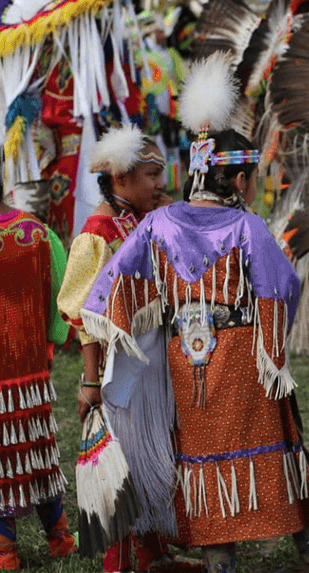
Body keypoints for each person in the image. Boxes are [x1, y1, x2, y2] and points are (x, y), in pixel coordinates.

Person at [81, 58, 309, 573]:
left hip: (183, 353)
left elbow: (110, 288)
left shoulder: (158, 224)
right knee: (274, 436)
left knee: (202, 450)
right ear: (237, 179)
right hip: (242, 353)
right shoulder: (248, 227)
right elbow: (282, 287)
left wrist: (134, 336)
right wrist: (273, 353)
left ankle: (222, 557)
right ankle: (307, 544)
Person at [57, 127, 197, 572]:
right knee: (124, 462)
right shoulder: (97, 232)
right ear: (120, 180)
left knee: (154, 453)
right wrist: (91, 379)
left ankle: (154, 554)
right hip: (120, 368)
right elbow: (82, 314)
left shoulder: (141, 219)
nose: (160, 184)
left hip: (152, 358)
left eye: (159, 175)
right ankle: (117, 565)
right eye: (151, 175)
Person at [0, 143, 74, 570]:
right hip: (33, 371)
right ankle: (60, 538)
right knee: (38, 450)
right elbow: (63, 294)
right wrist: (48, 342)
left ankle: (6, 553)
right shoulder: (38, 232)